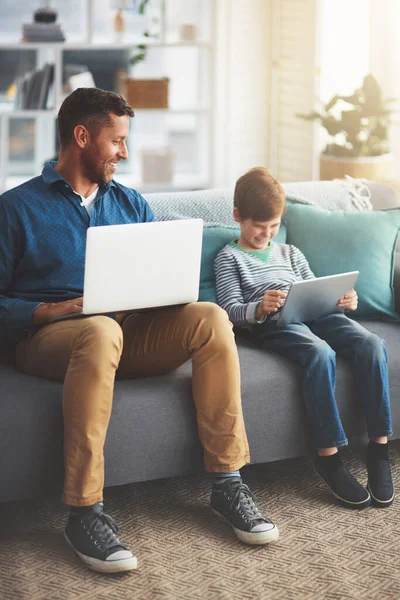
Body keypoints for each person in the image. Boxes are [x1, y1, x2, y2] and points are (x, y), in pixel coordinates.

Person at [0, 90, 279, 574]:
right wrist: (46, 310)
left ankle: (227, 482)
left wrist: (168, 294)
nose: (124, 153)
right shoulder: (15, 208)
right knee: (100, 331)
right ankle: (83, 512)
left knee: (210, 316)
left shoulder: (130, 203)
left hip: (128, 331)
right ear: (82, 137)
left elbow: (162, 280)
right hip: (51, 337)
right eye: (118, 141)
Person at [214, 166, 394, 511]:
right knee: (320, 353)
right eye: (257, 226)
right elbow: (228, 310)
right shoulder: (229, 257)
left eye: (272, 227)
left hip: (317, 313)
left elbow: (314, 287)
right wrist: (258, 308)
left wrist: (343, 300)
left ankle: (379, 447)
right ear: (238, 216)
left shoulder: (291, 252)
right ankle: (328, 456)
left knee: (371, 344)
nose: (265, 235)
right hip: (275, 323)